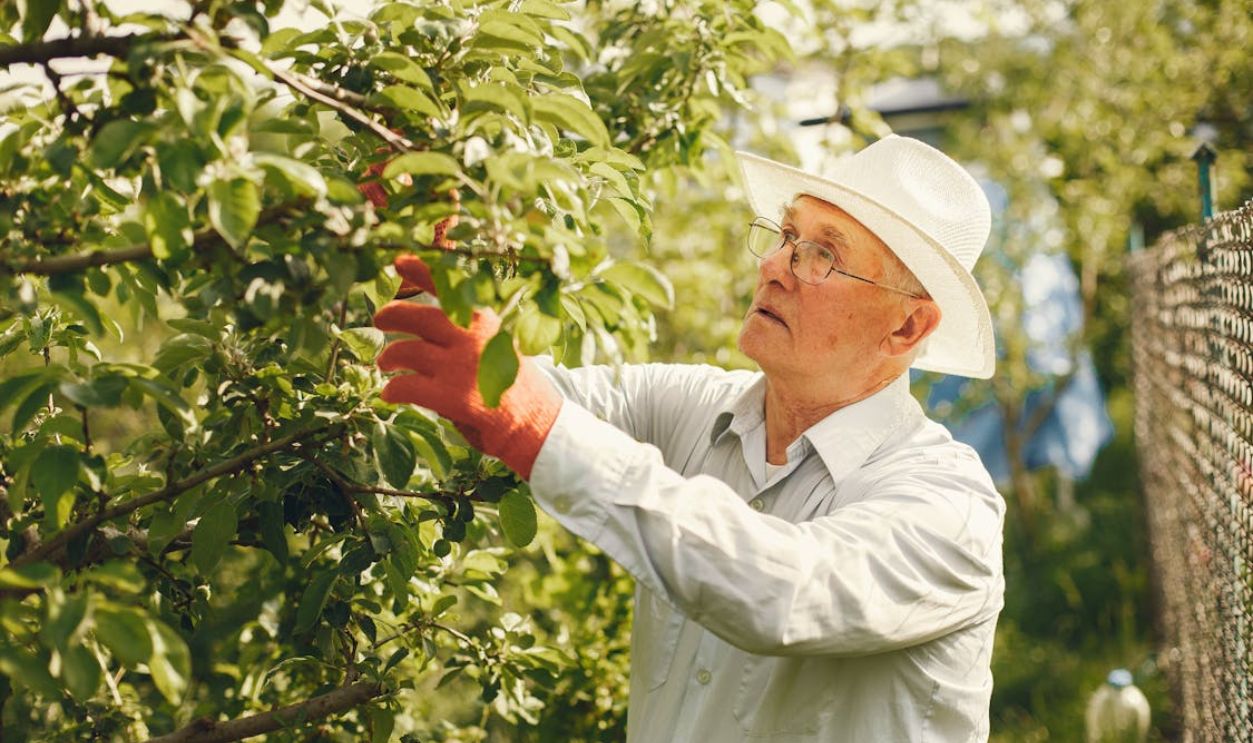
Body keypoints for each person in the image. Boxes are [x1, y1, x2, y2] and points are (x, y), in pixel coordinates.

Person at [373, 134, 1006, 742]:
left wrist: (533, 426)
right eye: (787, 236)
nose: (775, 267)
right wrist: (421, 269)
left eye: (824, 256)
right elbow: (464, 392)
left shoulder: (949, 507)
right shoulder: (691, 405)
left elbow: (785, 592)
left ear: (906, 327)